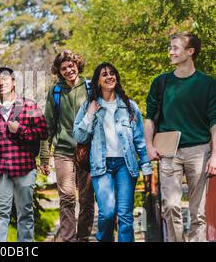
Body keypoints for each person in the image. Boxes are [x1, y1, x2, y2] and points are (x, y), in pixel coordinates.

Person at [144, 33, 216, 242]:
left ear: (190, 51)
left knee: (198, 211)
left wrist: (215, 156)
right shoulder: (161, 82)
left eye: (175, 48)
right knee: (170, 206)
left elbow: (214, 121)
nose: (171, 51)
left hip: (199, 151)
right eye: (171, 47)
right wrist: (149, 146)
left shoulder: (208, 84)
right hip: (169, 152)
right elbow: (149, 119)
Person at [73, 62, 152, 242]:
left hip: (126, 165)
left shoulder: (129, 106)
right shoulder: (89, 106)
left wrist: (146, 163)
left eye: (112, 73)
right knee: (107, 213)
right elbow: (79, 135)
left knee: (125, 216)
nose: (109, 77)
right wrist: (90, 114)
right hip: (102, 167)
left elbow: (139, 138)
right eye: (104, 74)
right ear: (98, 81)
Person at [0, 67, 48, 242]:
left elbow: (43, 132)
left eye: (4, 79)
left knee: (25, 213)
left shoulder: (29, 105)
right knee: (0, 213)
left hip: (24, 168)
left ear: (13, 82)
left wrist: (20, 129)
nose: (0, 82)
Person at [39, 50, 95, 242]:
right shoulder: (55, 92)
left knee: (87, 200)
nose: (68, 70)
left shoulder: (90, 87)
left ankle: (83, 238)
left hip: (86, 150)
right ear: (59, 71)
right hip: (63, 151)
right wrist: (44, 157)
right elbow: (47, 126)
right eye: (63, 68)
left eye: (71, 66)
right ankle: (68, 238)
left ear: (77, 65)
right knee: (67, 197)